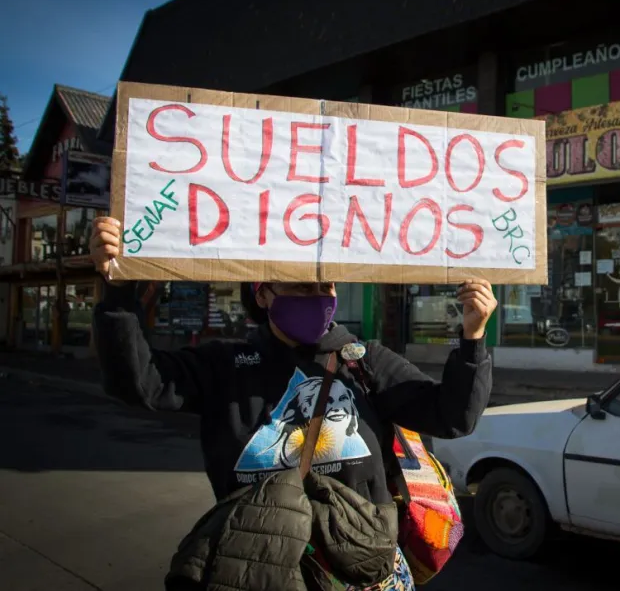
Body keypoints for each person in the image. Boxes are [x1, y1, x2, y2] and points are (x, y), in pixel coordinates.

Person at [88, 216, 496, 590]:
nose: (318, 297)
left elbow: (453, 416)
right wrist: (118, 293)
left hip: (361, 571)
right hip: (259, 570)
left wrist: (473, 338)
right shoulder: (225, 365)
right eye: (302, 285)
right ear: (264, 294)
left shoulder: (365, 361)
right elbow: (139, 382)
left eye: (327, 286)